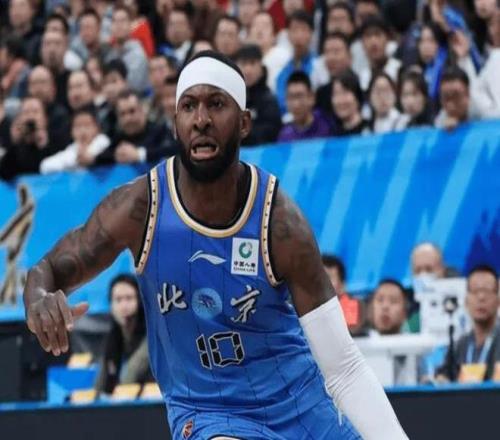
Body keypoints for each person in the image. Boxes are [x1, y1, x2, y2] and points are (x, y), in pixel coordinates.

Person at [23, 50, 407, 440]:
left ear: (244, 123)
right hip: (211, 414)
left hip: (304, 410)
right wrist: (38, 298)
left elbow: (344, 367)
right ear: (175, 124)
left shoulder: (280, 223)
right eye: (189, 106)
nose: (201, 119)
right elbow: (47, 270)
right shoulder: (140, 207)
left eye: (216, 104)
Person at [436, 265, 500, 382]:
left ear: (498, 301)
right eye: (475, 291)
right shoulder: (460, 345)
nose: (481, 297)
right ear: (466, 301)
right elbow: (442, 376)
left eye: (487, 291)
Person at [95, 274, 153, 395]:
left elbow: (132, 371)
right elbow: (101, 384)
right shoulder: (112, 337)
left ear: (139, 300)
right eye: (118, 299)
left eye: (129, 298)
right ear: (111, 304)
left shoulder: (152, 334)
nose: (124, 306)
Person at [96, 89, 177, 165]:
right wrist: (116, 156)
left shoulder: (161, 132)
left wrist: (139, 154)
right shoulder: (118, 140)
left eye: (132, 111)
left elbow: (173, 149)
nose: (128, 119)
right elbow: (100, 158)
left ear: (143, 110)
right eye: (122, 114)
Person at [40, 106, 110, 174]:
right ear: (71, 131)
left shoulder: (102, 140)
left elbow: (88, 156)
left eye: (87, 125)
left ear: (97, 128)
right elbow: (45, 166)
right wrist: (76, 160)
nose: (82, 131)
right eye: (78, 126)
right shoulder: (72, 148)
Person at [234, 44, 282, 146]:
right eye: (244, 64)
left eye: (252, 63)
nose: (248, 70)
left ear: (261, 67)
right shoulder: (233, 99)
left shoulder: (269, 100)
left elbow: (271, 132)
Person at [278, 71, 332, 142]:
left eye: (299, 96)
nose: (296, 104)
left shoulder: (327, 126)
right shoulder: (285, 136)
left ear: (311, 97)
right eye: (291, 97)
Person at [323, 254, 365, 336]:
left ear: (342, 285)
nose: (322, 283)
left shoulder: (351, 305)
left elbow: (350, 334)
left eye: (328, 277)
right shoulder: (303, 307)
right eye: (319, 278)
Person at [434, 65, 475, 130]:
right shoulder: (441, 119)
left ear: (468, 94)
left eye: (456, 97)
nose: (451, 105)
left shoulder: (483, 111)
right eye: (446, 98)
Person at [331, 69, 369, 136]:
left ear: (357, 96)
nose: (340, 101)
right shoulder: (331, 135)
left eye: (345, 93)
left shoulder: (372, 130)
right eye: (336, 93)